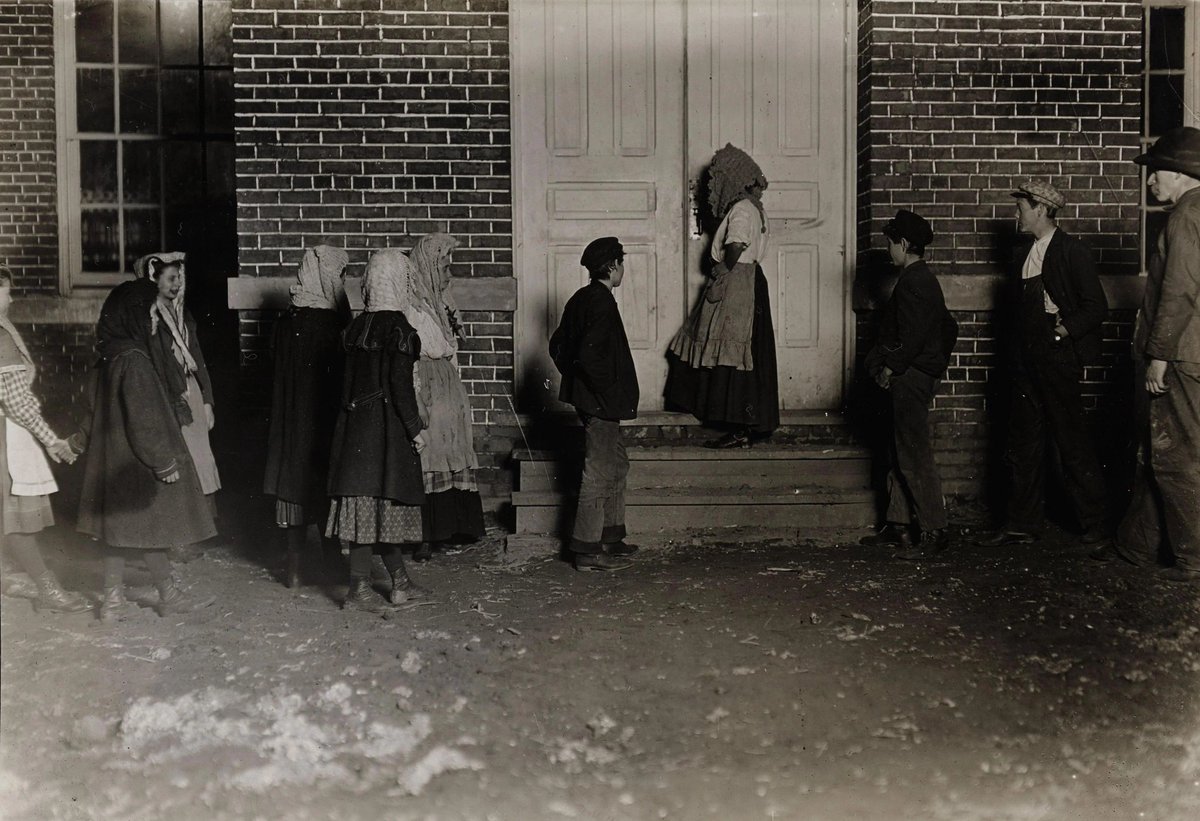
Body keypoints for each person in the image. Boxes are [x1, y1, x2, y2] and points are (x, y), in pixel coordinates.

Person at [977, 180, 1110, 549]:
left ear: (1040, 209)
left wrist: (1062, 331)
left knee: (1071, 441)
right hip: (1025, 362)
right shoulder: (1024, 253)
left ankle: (1098, 526)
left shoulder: (1072, 251)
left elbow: (1096, 307)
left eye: (1021, 208)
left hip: (1057, 360)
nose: (1016, 214)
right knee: (1024, 444)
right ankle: (1021, 524)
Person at [76, 280, 216, 621]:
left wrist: (79, 439)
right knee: (149, 527)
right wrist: (163, 462)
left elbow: (92, 407)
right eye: (152, 313)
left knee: (122, 532)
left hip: (114, 462)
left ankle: (115, 601)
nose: (156, 319)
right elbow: (144, 419)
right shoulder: (136, 361)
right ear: (134, 316)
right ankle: (167, 595)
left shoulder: (108, 356)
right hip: (138, 464)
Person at [1101, 127, 1200, 583]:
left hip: (1179, 355)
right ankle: (1137, 544)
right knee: (1154, 449)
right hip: (1187, 352)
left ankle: (1194, 558)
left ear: (1180, 173)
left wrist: (1158, 354)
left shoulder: (1186, 216)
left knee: (1175, 455)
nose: (1150, 180)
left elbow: (1179, 292)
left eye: (1156, 171)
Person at [325, 249, 429, 612]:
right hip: (386, 436)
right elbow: (401, 388)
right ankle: (365, 587)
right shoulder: (400, 329)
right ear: (399, 281)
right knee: (384, 508)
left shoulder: (354, 328)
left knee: (365, 512)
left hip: (355, 436)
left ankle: (395, 583)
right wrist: (415, 429)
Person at [665, 143, 779, 448]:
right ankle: (745, 424)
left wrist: (724, 269)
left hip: (737, 281)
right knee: (742, 350)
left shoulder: (741, 209)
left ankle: (740, 428)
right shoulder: (755, 207)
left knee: (730, 346)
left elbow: (736, 244)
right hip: (751, 281)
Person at [858, 211, 957, 559]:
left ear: (903, 244)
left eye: (890, 243)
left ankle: (935, 530)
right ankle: (898, 525)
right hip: (915, 374)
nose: (889, 249)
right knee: (900, 450)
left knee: (913, 454)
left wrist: (891, 368)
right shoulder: (920, 278)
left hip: (910, 377)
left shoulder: (915, 281)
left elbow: (912, 338)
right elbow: (948, 327)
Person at [0, 266, 89, 613]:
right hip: (5, 437)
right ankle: (47, 588)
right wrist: (51, 440)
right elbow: (18, 403)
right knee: (15, 521)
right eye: (6, 291)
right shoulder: (1, 337)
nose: (10, 298)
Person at [549, 237, 639, 571]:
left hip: (593, 400)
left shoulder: (581, 298)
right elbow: (590, 356)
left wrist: (576, 382)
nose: (622, 269)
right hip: (601, 403)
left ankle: (610, 536)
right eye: (621, 263)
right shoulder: (602, 302)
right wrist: (604, 391)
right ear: (613, 266)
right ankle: (587, 550)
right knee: (599, 471)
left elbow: (557, 345)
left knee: (617, 463)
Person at [263, 244, 349, 588]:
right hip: (323, 421)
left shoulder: (286, 322)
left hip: (289, 421)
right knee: (324, 488)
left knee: (294, 491)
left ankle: (295, 570)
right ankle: (333, 565)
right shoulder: (332, 324)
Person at [407, 233, 486, 562]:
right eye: (443, 268)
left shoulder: (440, 304)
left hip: (447, 383)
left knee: (453, 447)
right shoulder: (412, 307)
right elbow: (412, 355)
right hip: (427, 383)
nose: (448, 275)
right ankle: (426, 535)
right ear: (428, 269)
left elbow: (450, 349)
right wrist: (417, 394)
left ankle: (453, 528)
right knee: (431, 453)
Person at [136, 253, 221, 520]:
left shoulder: (184, 314)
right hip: (165, 396)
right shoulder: (146, 318)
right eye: (170, 278)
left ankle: (204, 522)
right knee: (177, 458)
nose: (176, 284)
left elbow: (197, 357)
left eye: (178, 278)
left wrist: (207, 400)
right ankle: (181, 526)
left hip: (190, 391)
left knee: (200, 456)